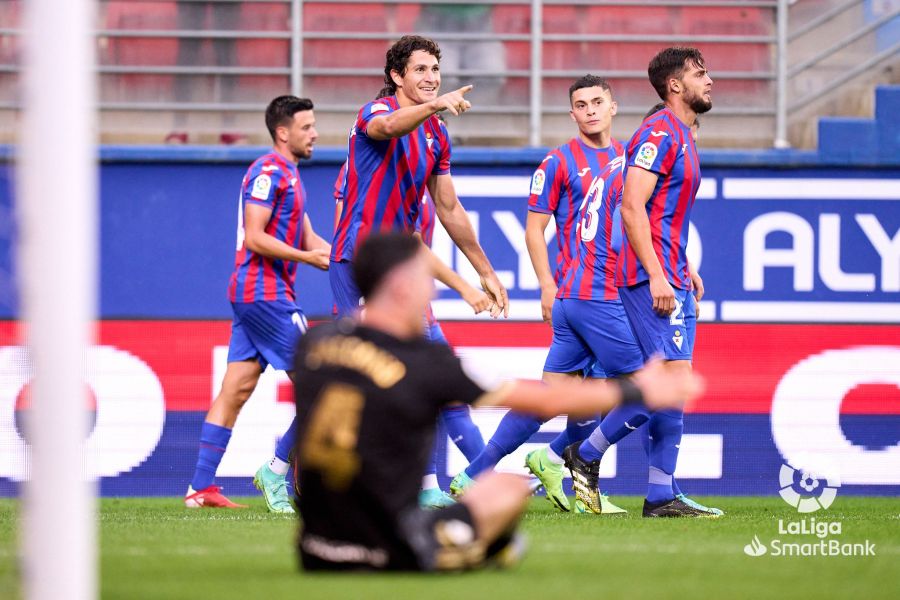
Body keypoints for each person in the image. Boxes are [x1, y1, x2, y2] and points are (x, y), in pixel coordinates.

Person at [293, 232, 702, 572]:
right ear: (400, 285)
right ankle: (459, 550)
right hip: (386, 549)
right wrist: (640, 390)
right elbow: (545, 400)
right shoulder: (427, 362)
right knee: (507, 489)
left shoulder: (313, 345)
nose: (431, 287)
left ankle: (455, 538)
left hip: (314, 548)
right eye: (426, 277)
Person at [449, 76, 626, 513]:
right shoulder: (558, 161)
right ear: (571, 114)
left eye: (597, 102)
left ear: (613, 106)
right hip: (584, 296)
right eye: (581, 104)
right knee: (620, 393)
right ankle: (561, 470)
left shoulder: (627, 159)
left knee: (561, 398)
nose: (590, 110)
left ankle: (478, 474)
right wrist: (546, 286)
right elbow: (534, 229)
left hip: (611, 293)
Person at [567, 47, 717, 518]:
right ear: (675, 85)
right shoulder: (657, 132)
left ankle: (661, 495)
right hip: (649, 279)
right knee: (666, 383)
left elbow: (663, 216)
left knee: (675, 385)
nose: (709, 80)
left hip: (673, 274)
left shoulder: (685, 135)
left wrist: (682, 266)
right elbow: (631, 207)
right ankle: (585, 452)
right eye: (699, 73)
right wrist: (655, 273)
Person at [184, 96, 331, 512]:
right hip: (265, 293)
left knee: (236, 388)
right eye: (306, 127)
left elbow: (310, 238)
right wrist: (306, 259)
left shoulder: (291, 174)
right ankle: (277, 471)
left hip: (256, 293)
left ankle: (200, 487)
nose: (315, 133)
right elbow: (255, 236)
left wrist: (346, 262)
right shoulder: (268, 171)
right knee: (322, 386)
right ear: (283, 133)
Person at [332, 159, 489, 508]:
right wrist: (466, 287)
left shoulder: (418, 174)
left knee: (445, 396)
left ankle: (471, 476)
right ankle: (282, 465)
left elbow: (432, 227)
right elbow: (362, 238)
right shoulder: (368, 171)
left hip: (413, 304)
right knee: (348, 389)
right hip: (381, 305)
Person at [330, 35, 508, 320]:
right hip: (361, 257)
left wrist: (485, 272)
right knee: (366, 357)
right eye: (421, 70)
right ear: (397, 76)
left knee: (424, 355)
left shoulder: (437, 134)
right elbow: (387, 127)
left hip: (401, 261)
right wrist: (434, 106)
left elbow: (449, 208)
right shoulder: (376, 110)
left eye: (435, 69)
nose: (431, 78)